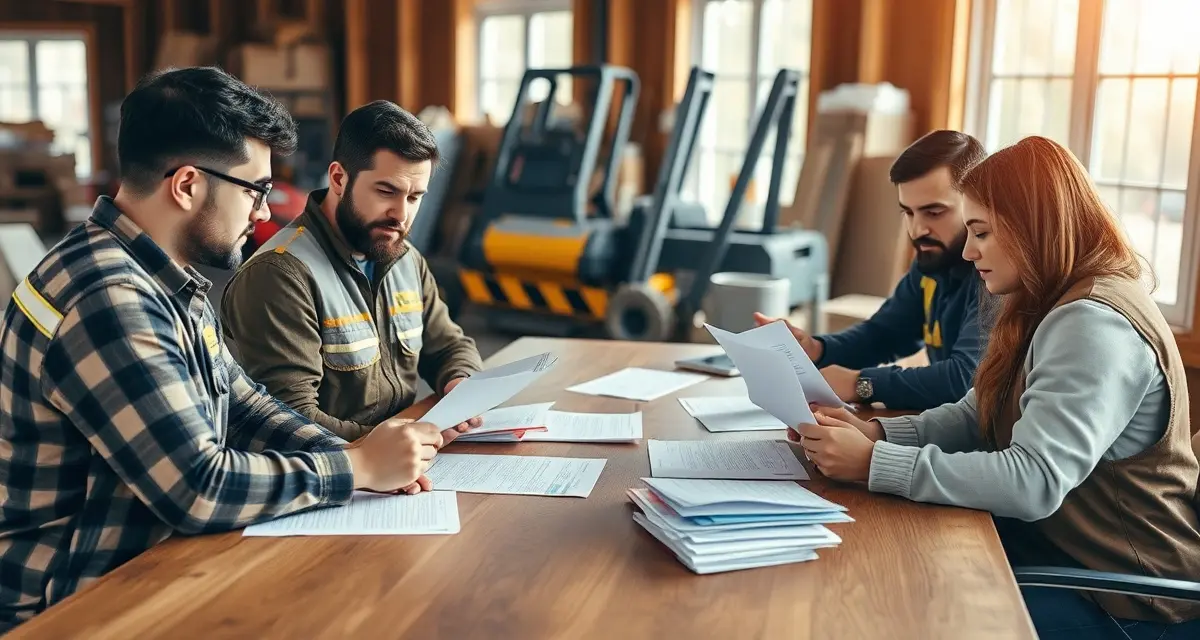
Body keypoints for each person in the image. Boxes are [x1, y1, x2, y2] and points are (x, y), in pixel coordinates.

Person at [0, 68, 447, 631]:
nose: (264, 212)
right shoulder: (108, 297)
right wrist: (353, 466)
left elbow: (244, 403)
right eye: (255, 190)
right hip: (70, 607)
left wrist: (370, 460)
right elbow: (197, 487)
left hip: (149, 565)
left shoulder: (165, 277)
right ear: (187, 184)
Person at [796, 136, 1200, 638]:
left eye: (981, 232)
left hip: (1127, 597)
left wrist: (874, 463)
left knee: (910, 609)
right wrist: (876, 434)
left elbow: (1032, 481)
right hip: (1061, 557)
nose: (968, 251)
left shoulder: (1094, 323)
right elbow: (975, 414)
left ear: (1033, 227)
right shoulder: (1041, 298)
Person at [220, 100, 484, 442]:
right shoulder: (280, 274)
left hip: (399, 461)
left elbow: (449, 344)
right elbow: (290, 420)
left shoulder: (404, 259)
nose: (401, 214)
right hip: (333, 476)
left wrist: (460, 382)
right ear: (339, 178)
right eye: (386, 191)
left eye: (415, 197)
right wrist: (398, 444)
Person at [754, 130, 987, 410]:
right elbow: (884, 334)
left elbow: (963, 380)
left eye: (934, 213)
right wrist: (815, 348)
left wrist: (860, 384)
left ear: (977, 204)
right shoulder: (933, 261)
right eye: (908, 213)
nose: (917, 230)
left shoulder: (993, 274)